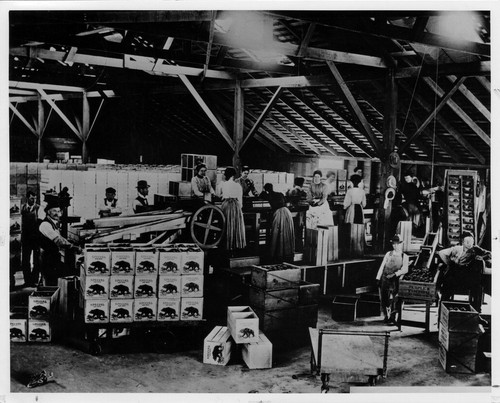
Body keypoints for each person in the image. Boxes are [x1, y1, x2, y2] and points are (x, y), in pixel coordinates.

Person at [437, 231, 491, 314]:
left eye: (472, 242)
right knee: (447, 286)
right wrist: (449, 263)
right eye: (467, 242)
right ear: (463, 242)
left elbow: (489, 254)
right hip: (455, 275)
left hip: (468, 278)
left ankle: (476, 313)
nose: (470, 244)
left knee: (478, 288)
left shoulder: (476, 249)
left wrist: (482, 257)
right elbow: (441, 253)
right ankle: (443, 312)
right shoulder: (456, 249)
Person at [39, 199, 82, 286]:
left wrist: (70, 242)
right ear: (48, 212)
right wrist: (74, 247)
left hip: (53, 257)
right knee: (51, 281)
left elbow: (60, 237)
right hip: (47, 258)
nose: (57, 213)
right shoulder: (45, 225)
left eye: (59, 211)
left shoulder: (54, 223)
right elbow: (58, 240)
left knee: (55, 279)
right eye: (54, 211)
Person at [376, 234, 409, 324]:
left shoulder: (404, 256)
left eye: (397, 244)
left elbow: (405, 269)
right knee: (384, 298)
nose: (395, 246)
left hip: (395, 280)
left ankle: (393, 317)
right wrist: (378, 277)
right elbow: (382, 266)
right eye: (394, 244)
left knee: (395, 298)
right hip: (385, 278)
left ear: (401, 244)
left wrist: (395, 274)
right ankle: (387, 316)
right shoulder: (388, 254)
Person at [261, 183, 295, 262]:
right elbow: (286, 201)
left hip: (278, 213)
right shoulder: (280, 194)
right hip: (287, 212)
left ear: (266, 190)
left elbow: (259, 197)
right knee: (286, 233)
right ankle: (286, 254)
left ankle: (277, 254)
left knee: (277, 233)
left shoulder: (266, 195)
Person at [220, 167, 246, 251]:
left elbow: (220, 195)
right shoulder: (237, 185)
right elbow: (240, 200)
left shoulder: (223, 184)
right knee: (236, 225)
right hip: (236, 205)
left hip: (226, 205)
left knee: (226, 224)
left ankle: (227, 245)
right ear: (233, 175)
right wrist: (238, 208)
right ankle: (236, 246)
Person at [343, 174, 367, 256]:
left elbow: (346, 203)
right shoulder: (362, 191)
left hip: (352, 208)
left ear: (352, 182)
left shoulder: (349, 191)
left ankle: (351, 247)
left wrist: (344, 207)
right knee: (359, 227)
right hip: (359, 210)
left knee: (351, 227)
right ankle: (359, 247)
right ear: (360, 182)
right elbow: (364, 204)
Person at [21, 190, 40, 286]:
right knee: (25, 260)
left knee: (36, 260)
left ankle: (34, 280)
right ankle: (27, 281)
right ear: (27, 198)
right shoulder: (22, 208)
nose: (34, 200)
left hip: (35, 238)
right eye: (32, 198)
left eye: (35, 198)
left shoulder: (38, 209)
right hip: (25, 238)